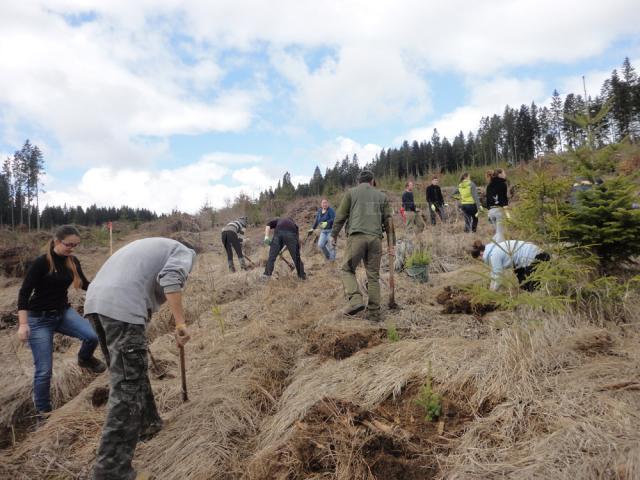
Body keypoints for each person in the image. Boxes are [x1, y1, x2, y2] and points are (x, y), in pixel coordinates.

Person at [86, 237, 195, 480]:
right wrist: (180, 323)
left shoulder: (151, 246)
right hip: (121, 308)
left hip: (95, 304)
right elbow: (171, 278)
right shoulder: (183, 251)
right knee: (127, 387)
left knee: (129, 373)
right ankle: (111, 471)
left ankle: (149, 424)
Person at [16, 225, 106, 417]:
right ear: (57, 241)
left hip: (63, 313)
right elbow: (24, 294)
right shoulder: (41, 263)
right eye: (68, 244)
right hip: (38, 320)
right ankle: (43, 411)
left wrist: (106, 291)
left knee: (92, 336)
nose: (72, 248)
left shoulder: (72, 261)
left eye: (75, 245)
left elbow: (84, 284)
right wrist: (23, 324)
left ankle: (84, 359)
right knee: (44, 371)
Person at [331, 170, 395, 322]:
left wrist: (333, 234)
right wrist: (391, 244)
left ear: (358, 181)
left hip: (357, 237)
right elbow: (389, 222)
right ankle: (374, 314)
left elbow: (340, 216)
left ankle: (356, 301)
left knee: (346, 269)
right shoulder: (382, 196)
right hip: (376, 240)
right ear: (372, 181)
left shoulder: (351, 193)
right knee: (373, 276)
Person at [470, 239, 550, 291]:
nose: (481, 261)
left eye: (479, 259)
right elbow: (493, 273)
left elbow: (498, 275)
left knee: (531, 285)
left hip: (534, 255)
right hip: (523, 260)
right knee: (523, 284)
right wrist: (491, 288)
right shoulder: (492, 249)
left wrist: (493, 291)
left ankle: (538, 305)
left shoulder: (493, 255)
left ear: (481, 254)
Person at [485, 169, 509, 242]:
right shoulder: (502, 184)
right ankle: (498, 249)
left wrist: (488, 213)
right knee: (500, 234)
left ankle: (491, 246)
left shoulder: (489, 185)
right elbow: (504, 199)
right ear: (500, 174)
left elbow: (487, 200)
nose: (505, 175)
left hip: (491, 212)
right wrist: (508, 214)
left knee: (498, 233)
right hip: (499, 211)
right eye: (504, 173)